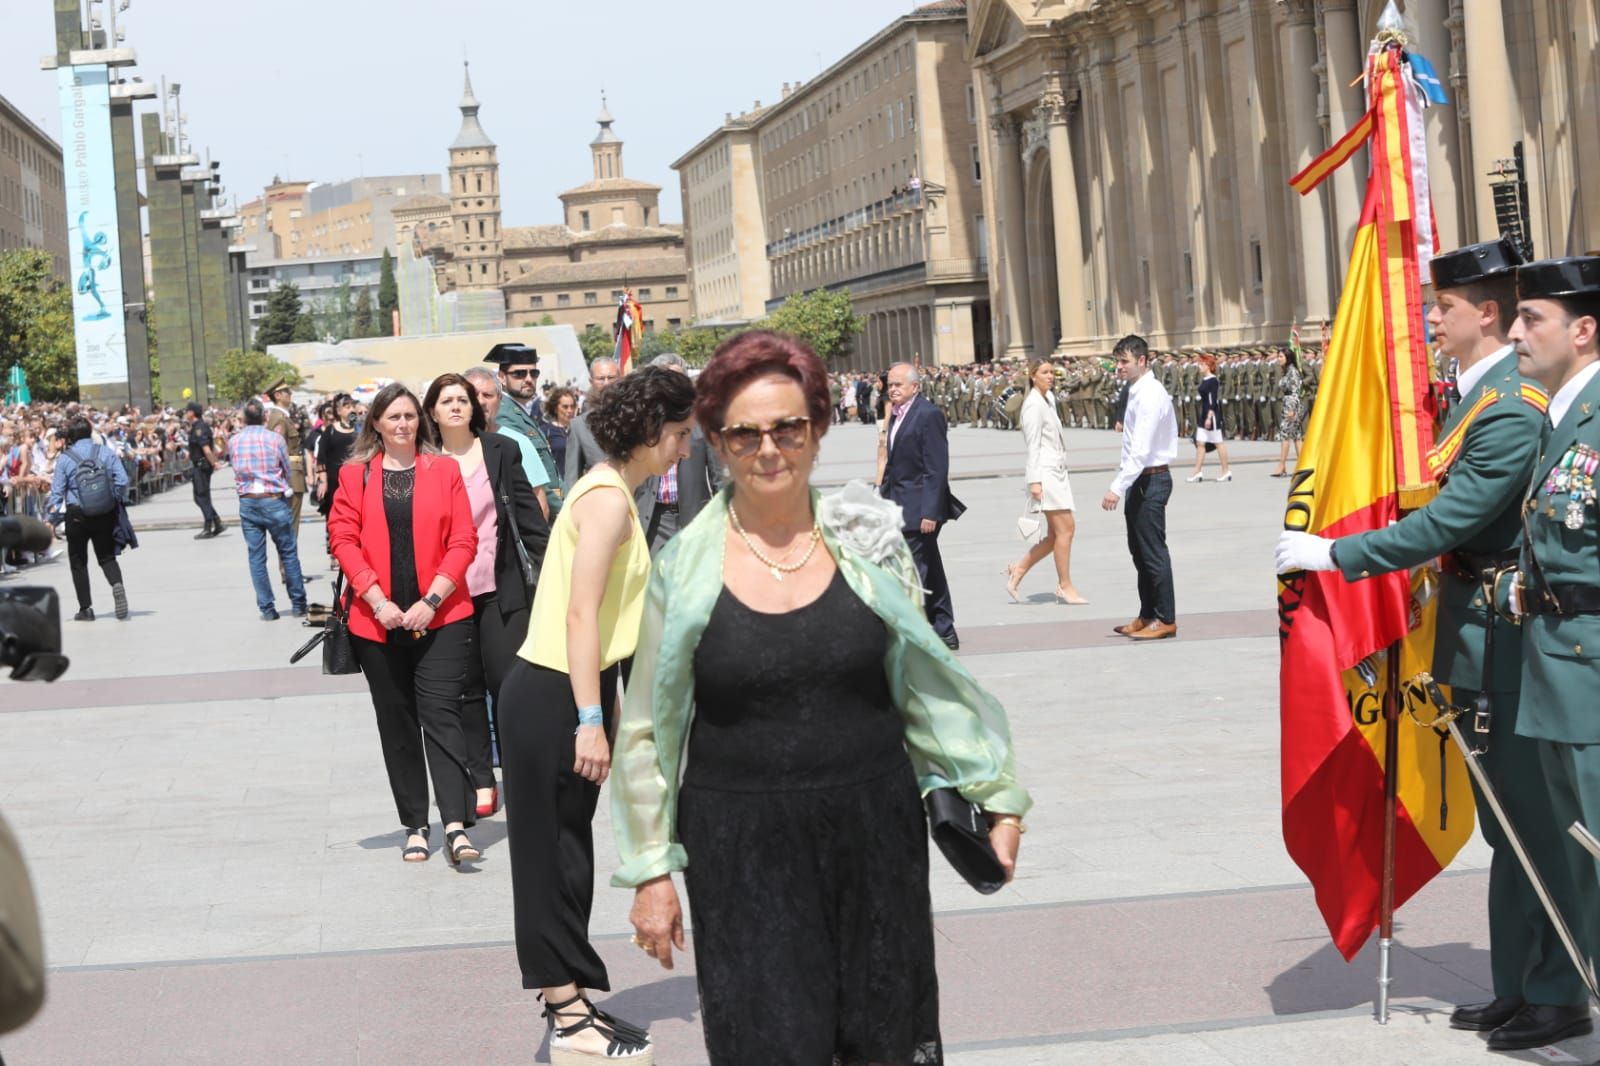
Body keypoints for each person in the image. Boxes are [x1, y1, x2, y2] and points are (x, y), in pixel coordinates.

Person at [614, 331, 1030, 1065]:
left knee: (885, 1036)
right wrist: (651, 868)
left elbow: (923, 685)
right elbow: (647, 727)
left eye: (788, 428)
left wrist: (994, 794)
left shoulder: (869, 545)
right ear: (714, 440)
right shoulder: (682, 571)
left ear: (818, 428)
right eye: (744, 434)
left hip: (875, 837)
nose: (768, 449)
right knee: (769, 1042)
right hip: (740, 852)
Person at [1276, 240, 1595, 1051]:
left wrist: (1341, 554)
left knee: (1540, 828)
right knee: (1508, 826)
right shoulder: (1491, 403)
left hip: (1525, 645)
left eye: (1444, 307)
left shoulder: (1517, 410)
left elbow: (1459, 517)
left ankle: (1556, 987)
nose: (1430, 320)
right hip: (1481, 634)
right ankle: (1523, 982)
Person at [494, 365, 693, 1063]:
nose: (685, 448)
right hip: (554, 691)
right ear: (648, 432)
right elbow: (581, 614)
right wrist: (588, 717)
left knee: (570, 855)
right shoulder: (608, 499)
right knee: (550, 860)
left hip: (570, 687)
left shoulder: (614, 490)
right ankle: (565, 1010)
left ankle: (573, 1000)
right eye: (679, 434)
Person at [1498, 254, 1600, 1050]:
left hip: (1591, 672)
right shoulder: (1560, 416)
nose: (1515, 330)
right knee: (1580, 862)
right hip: (1558, 671)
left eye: (1532, 318)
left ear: (1584, 329)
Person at [327, 383, 482, 867]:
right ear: (375, 422)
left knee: (442, 716)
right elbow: (342, 538)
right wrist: (377, 599)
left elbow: (464, 539)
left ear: (421, 421)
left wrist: (432, 599)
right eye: (393, 416)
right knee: (397, 723)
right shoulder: (356, 477)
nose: (403, 424)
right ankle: (416, 824)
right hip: (377, 622)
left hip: (442, 617)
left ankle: (454, 823)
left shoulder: (445, 471)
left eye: (410, 416)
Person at [426, 372, 549, 821]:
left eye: (463, 399)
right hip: (448, 596)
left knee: (511, 686)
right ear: (433, 411)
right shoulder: (424, 461)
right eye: (447, 400)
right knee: (467, 690)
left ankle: (520, 774)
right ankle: (482, 777)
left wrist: (551, 572)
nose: (457, 406)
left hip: (501, 589)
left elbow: (529, 521)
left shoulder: (502, 450)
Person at [879, 362, 964, 649]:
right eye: (890, 385)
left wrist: (930, 511)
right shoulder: (896, 415)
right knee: (928, 566)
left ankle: (915, 630)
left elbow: (936, 468)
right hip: (900, 505)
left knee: (912, 569)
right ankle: (944, 627)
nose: (892, 389)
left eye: (898, 384)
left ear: (915, 386)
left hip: (921, 508)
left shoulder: (927, 415)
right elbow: (893, 466)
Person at [1102, 334, 1179, 640]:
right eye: (1117, 361)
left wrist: (1116, 487)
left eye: (1125, 361)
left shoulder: (1150, 394)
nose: (1119, 367)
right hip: (1140, 479)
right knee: (1139, 551)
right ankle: (1147, 614)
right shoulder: (1135, 390)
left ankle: (1165, 618)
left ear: (1143, 361)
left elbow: (1142, 449)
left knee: (1153, 552)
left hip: (1151, 477)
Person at [1007, 360, 1087, 604]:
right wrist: (1034, 482)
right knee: (1067, 529)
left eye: (1052, 372)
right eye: (1044, 372)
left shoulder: (1048, 399)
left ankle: (1018, 570)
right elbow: (1032, 446)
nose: (1050, 376)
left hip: (1057, 471)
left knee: (1055, 535)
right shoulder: (1032, 404)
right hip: (1045, 473)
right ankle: (1064, 585)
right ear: (1033, 376)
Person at [229, 399, 307, 621]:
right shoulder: (274, 439)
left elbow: (235, 467)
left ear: (243, 418)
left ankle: (267, 607)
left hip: (248, 501)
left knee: (256, 557)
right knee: (288, 552)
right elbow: (286, 468)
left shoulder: (234, 441)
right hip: (273, 499)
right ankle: (299, 602)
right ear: (264, 417)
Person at [636, 352, 720, 553]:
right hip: (653, 518)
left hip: (693, 516)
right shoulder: (641, 421)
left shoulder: (702, 420)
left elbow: (719, 476)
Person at [48, 417, 129, 622]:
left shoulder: (65, 458)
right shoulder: (104, 451)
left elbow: (57, 493)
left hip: (76, 515)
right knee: (106, 556)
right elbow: (123, 479)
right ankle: (116, 584)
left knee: (78, 561)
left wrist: (51, 519)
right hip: (103, 511)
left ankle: (86, 608)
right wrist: (112, 498)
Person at [464, 366, 551, 519]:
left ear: (499, 400)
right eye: (473, 395)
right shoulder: (448, 445)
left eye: (488, 395)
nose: (480, 401)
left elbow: (540, 505)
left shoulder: (518, 443)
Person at [486, 344, 564, 515]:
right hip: (541, 510)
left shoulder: (518, 411)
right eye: (519, 374)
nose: (528, 379)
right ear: (502, 377)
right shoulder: (503, 415)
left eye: (533, 373)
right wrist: (565, 512)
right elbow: (532, 479)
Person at [562, 356, 622, 485]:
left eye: (611, 378)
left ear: (620, 378)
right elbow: (572, 478)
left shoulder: (638, 416)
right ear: (591, 381)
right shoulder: (579, 426)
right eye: (601, 378)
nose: (607, 383)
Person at [263, 381, 309, 535]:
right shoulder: (279, 418)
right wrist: (281, 482)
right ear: (277, 395)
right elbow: (276, 451)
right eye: (287, 392)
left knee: (290, 527)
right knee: (290, 528)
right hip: (289, 477)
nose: (290, 394)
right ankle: (288, 560)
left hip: (292, 473)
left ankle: (288, 559)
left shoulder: (282, 417)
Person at [1187, 354, 1233, 482]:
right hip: (1204, 413)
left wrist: (1209, 416)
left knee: (1218, 443)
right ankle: (1197, 471)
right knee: (1200, 443)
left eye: (1201, 364)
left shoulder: (1213, 380)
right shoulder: (1206, 379)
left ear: (1208, 366)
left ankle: (1226, 470)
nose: (1199, 366)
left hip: (1211, 415)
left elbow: (1213, 400)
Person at [184, 403, 224, 539]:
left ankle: (208, 526)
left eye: (187, 411)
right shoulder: (197, 426)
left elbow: (206, 449)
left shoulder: (199, 427)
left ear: (192, 413)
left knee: (201, 496)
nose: (185, 413)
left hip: (202, 466)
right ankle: (217, 522)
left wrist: (215, 463)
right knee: (200, 497)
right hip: (200, 464)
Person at [1270, 349, 1308, 477]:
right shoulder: (1287, 371)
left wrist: (1291, 409)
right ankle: (1303, 465)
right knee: (1297, 435)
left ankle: (1281, 465)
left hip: (1291, 404)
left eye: (1281, 356)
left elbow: (1295, 391)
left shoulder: (1292, 372)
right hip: (1289, 403)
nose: (1278, 359)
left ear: (1287, 357)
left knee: (1285, 434)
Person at [543, 387, 578, 475]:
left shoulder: (580, 430)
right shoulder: (546, 431)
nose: (570, 410)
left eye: (572, 406)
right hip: (558, 483)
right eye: (565, 407)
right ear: (555, 408)